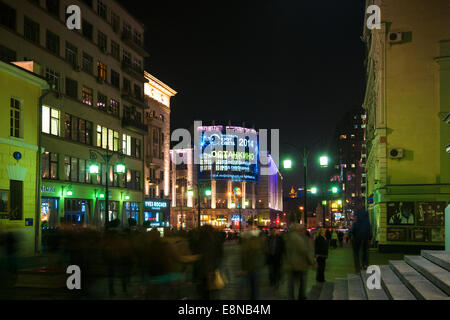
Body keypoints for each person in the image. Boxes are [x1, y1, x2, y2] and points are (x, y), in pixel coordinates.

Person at [284, 224, 316, 300]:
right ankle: (301, 296)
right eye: (303, 230)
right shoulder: (298, 238)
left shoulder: (289, 238)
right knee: (302, 282)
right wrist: (312, 262)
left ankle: (291, 296)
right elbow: (305, 251)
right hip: (300, 264)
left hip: (291, 264)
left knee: (291, 283)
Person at [240, 221, 267, 300]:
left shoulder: (247, 241)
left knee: (249, 286)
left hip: (249, 266)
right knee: (255, 286)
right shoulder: (261, 239)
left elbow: (244, 255)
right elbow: (265, 251)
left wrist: (243, 267)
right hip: (257, 265)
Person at [352, 207, 372, 273]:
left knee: (356, 253)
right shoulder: (367, 219)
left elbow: (354, 227)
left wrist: (352, 235)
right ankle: (365, 264)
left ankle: (357, 267)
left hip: (357, 238)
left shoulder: (356, 217)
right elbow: (369, 228)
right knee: (365, 251)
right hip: (366, 237)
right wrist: (369, 238)